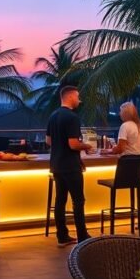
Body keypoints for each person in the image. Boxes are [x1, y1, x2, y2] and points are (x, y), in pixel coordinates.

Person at [46, 86, 95, 247]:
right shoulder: (72, 117)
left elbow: (48, 141)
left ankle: (62, 235)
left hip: (56, 165)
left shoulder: (53, 115)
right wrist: (87, 146)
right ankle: (82, 236)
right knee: (78, 201)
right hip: (70, 166)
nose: (79, 100)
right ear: (70, 97)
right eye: (77, 96)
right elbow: (73, 144)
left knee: (60, 201)